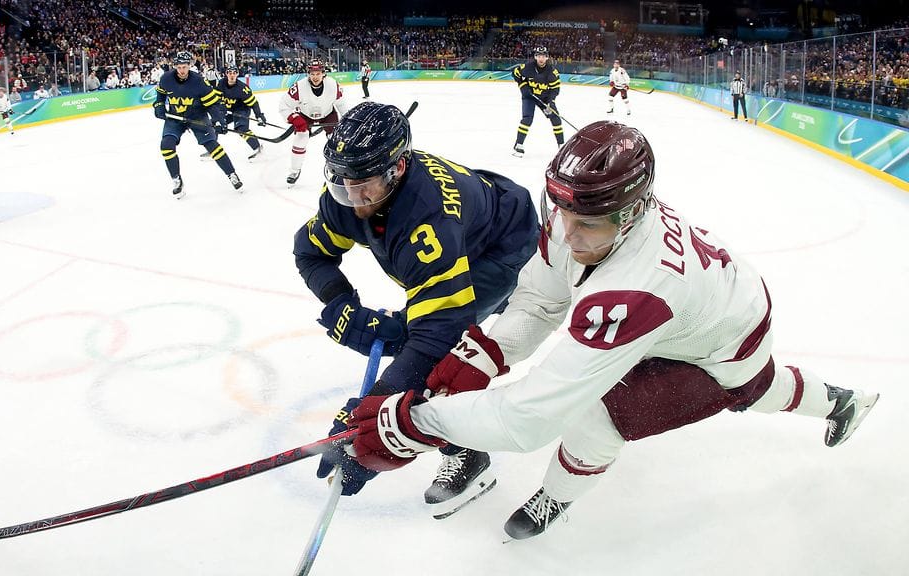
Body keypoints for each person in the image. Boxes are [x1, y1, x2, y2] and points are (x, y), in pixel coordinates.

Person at [347, 121, 879, 540]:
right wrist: (481, 356)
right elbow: (541, 299)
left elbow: (530, 418)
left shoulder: (635, 287)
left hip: (726, 335)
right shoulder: (581, 210)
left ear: (631, 213)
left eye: (588, 224)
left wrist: (411, 425)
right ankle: (842, 401)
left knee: (604, 417)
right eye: (561, 211)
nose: (568, 233)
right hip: (704, 303)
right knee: (750, 388)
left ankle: (557, 495)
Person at [294, 101, 540, 518]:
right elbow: (310, 253)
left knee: (452, 357)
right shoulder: (352, 186)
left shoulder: (427, 224)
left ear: (398, 169)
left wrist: (371, 420)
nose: (353, 199)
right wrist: (342, 305)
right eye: (342, 183)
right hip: (473, 222)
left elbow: (439, 338)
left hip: (501, 248)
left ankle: (468, 454)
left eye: (364, 185)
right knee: (421, 336)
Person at [153, 50, 242, 198]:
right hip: (175, 117)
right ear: (175, 66)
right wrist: (159, 106)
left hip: (197, 116)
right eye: (179, 67)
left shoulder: (199, 81)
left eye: (184, 67)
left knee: (212, 145)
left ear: (190, 66)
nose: (182, 71)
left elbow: (211, 104)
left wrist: (219, 121)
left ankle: (232, 174)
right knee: (166, 145)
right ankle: (176, 179)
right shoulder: (166, 79)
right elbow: (160, 95)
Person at [278, 59, 350, 185]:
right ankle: (294, 171)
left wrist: (347, 120)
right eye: (312, 74)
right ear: (308, 74)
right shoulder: (299, 87)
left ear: (323, 74)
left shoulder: (333, 85)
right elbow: (284, 106)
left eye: (318, 73)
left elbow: (342, 105)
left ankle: (339, 169)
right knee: (301, 138)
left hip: (328, 114)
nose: (315, 77)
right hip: (305, 115)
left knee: (335, 140)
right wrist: (294, 118)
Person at [511, 46, 564, 157]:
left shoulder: (552, 72)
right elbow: (515, 73)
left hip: (544, 98)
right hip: (529, 96)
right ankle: (519, 144)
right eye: (539, 56)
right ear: (535, 57)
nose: (541, 58)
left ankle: (561, 145)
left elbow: (555, 89)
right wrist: (523, 86)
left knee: (555, 118)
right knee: (527, 119)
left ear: (547, 57)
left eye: (543, 56)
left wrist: (550, 102)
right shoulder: (527, 67)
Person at [211, 64, 268, 160]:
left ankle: (257, 147)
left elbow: (253, 103)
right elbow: (216, 98)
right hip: (228, 110)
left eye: (234, 73)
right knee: (213, 123)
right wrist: (220, 109)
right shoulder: (221, 83)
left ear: (237, 74)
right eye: (230, 73)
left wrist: (259, 115)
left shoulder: (242, 88)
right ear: (226, 74)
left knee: (241, 129)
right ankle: (213, 149)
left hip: (242, 109)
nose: (232, 75)